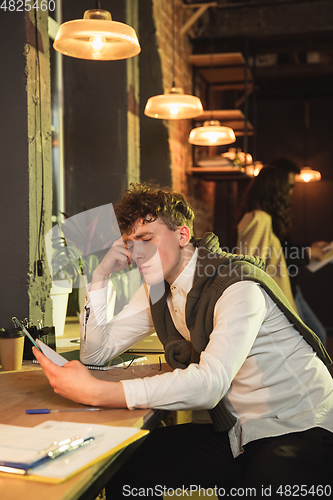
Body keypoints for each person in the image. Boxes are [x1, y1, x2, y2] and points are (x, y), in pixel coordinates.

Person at [34, 183, 333, 499]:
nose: (137, 253)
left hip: (300, 427)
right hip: (241, 431)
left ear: (183, 236)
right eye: (129, 243)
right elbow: (97, 353)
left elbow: (210, 384)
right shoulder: (158, 288)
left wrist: (98, 392)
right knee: (125, 461)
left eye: (147, 239)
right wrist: (100, 277)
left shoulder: (236, 285)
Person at [236, 159, 328, 344]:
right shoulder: (260, 219)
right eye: (289, 187)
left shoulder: (263, 216)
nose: (291, 192)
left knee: (314, 338)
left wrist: (309, 248)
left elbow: (278, 251)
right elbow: (253, 265)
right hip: (279, 293)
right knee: (307, 342)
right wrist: (308, 253)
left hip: (290, 288)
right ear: (276, 189)